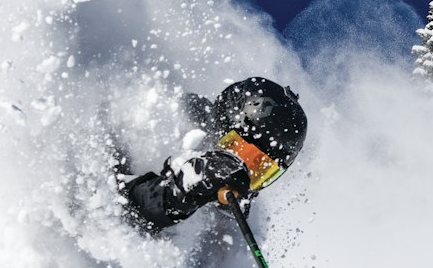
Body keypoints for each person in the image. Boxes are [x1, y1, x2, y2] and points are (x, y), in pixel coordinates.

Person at [120, 78, 308, 231]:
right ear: (220, 125)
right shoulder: (164, 121)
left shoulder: (233, 217)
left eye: (260, 169)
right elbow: (111, 198)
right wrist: (177, 192)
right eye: (239, 150)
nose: (238, 171)